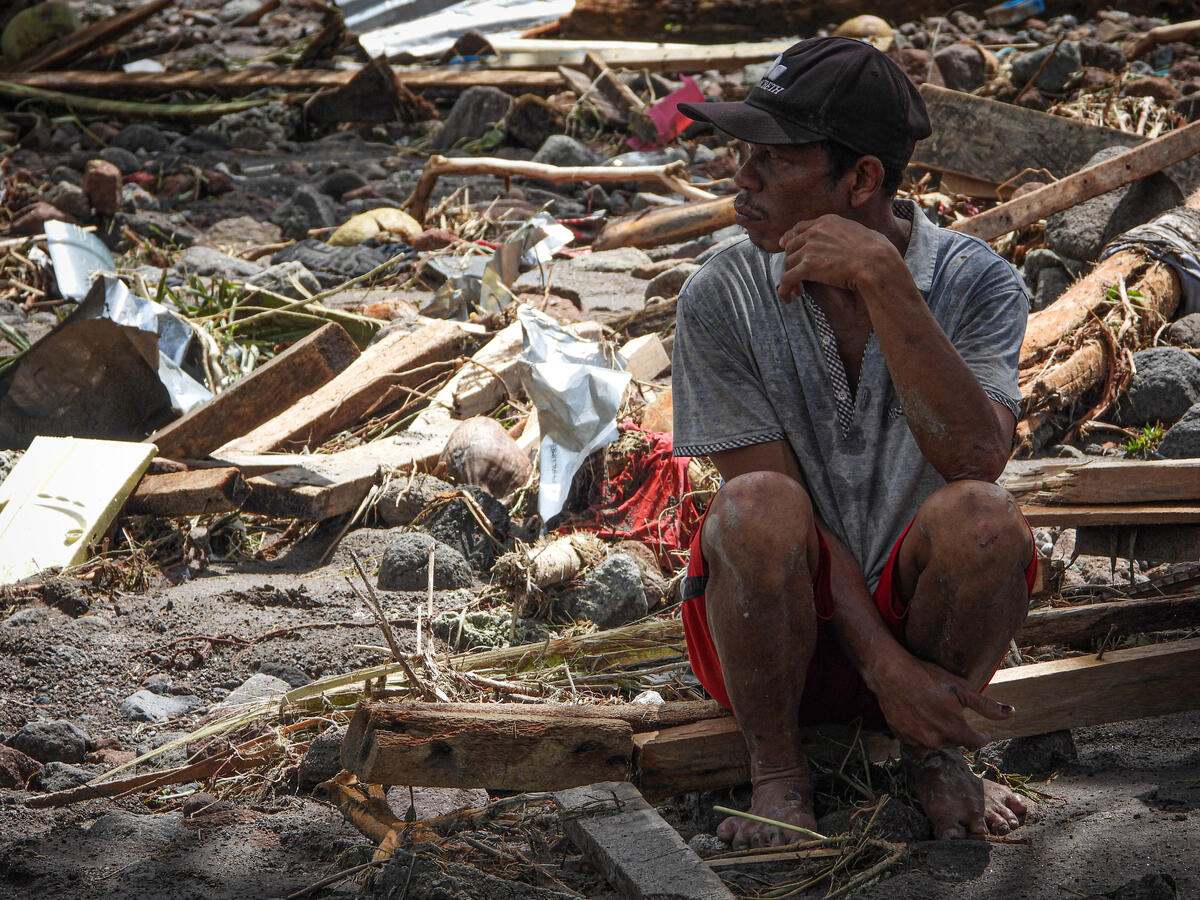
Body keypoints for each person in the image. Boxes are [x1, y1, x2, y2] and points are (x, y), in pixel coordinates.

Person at [671, 36, 1038, 849]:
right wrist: (884, 667)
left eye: (774, 159)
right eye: (742, 153)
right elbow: (762, 506)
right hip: (769, 635)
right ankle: (778, 772)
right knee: (756, 505)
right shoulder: (720, 294)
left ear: (862, 179)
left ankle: (935, 758)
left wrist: (884, 281)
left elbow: (977, 460)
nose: (743, 178)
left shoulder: (977, 282)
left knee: (987, 517)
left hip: (927, 630)